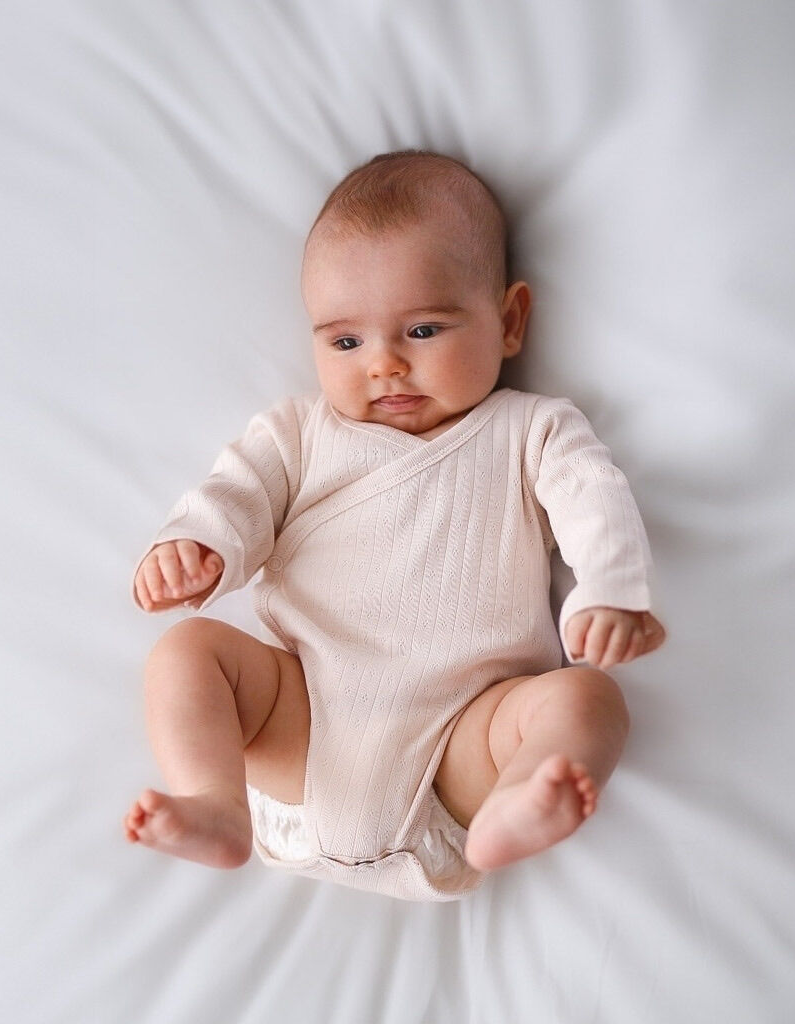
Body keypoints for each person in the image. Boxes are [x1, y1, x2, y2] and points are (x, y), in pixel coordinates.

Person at [123, 150, 666, 900]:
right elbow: (236, 492)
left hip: (462, 746)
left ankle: (517, 802)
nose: (383, 366)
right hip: (306, 724)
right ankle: (215, 803)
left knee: (586, 700)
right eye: (345, 342)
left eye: (421, 332)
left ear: (508, 322)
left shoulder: (531, 429)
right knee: (188, 652)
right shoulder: (300, 433)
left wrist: (608, 588)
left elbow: (590, 495)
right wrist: (198, 544)